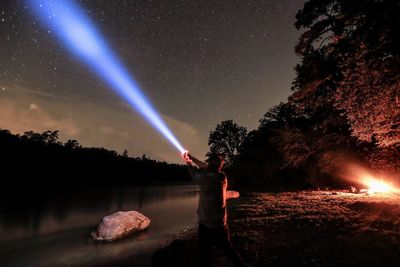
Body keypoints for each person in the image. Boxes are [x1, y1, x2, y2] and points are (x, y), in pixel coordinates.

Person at [183, 152, 246, 267]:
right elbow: (205, 168)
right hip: (220, 223)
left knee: (204, 256)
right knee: (228, 249)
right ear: (220, 166)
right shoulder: (222, 176)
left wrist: (188, 162)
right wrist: (192, 158)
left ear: (210, 164)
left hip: (205, 224)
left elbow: (193, 172)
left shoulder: (203, 179)